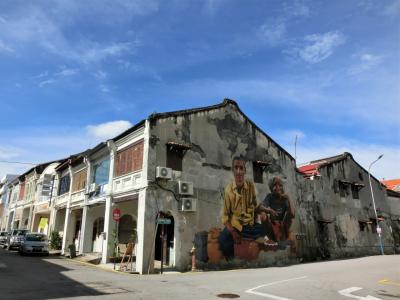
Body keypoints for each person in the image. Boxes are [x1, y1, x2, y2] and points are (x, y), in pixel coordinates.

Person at [218, 156, 265, 260]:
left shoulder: (251, 186)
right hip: (236, 227)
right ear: (232, 170)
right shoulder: (228, 191)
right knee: (223, 239)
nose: (238, 172)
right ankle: (232, 262)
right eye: (236, 168)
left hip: (250, 226)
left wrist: (265, 211)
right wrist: (233, 232)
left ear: (245, 171)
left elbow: (255, 207)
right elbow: (225, 217)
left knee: (265, 229)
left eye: (241, 168)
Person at [259, 177, 295, 242]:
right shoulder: (270, 196)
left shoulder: (285, 199)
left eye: (280, 185)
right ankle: (268, 236)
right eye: (275, 185)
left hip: (282, 224)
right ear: (272, 187)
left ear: (283, 187)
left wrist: (288, 199)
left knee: (289, 216)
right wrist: (269, 210)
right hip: (272, 223)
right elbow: (260, 207)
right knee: (263, 215)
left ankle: (285, 236)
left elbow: (292, 215)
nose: (278, 187)